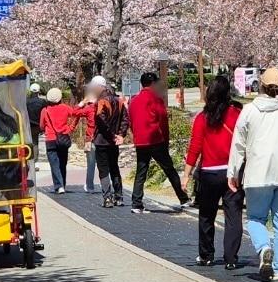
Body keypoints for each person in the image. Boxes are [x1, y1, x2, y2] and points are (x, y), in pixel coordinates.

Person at [227, 67, 278, 281]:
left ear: (261, 86)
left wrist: (233, 171)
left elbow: (238, 144)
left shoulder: (249, 111)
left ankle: (264, 249)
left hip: (258, 175)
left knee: (255, 218)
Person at [186, 74, 243, 266]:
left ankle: (206, 254)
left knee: (206, 215)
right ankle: (231, 258)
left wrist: (186, 174)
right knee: (233, 215)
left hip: (209, 172)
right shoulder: (236, 114)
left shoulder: (203, 118)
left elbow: (195, 147)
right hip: (232, 172)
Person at [128, 70, 191, 213]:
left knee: (141, 171)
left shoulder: (134, 101)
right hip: (155, 139)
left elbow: (131, 121)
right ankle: (183, 199)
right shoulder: (156, 99)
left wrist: (136, 135)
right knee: (169, 169)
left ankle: (136, 203)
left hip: (141, 141)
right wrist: (166, 140)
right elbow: (163, 121)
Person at [85, 75, 128, 208]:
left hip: (102, 140)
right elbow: (126, 119)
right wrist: (120, 134)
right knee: (114, 167)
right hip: (113, 142)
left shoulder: (101, 101)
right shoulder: (119, 100)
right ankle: (119, 196)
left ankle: (107, 197)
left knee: (103, 169)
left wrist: (110, 134)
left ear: (99, 87)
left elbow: (100, 120)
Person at [39, 87, 82, 195]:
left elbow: (41, 125)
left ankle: (59, 186)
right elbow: (75, 113)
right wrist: (70, 128)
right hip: (63, 137)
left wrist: (46, 130)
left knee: (54, 164)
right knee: (63, 163)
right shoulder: (65, 108)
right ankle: (63, 184)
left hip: (50, 139)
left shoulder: (45, 110)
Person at [25, 82, 48, 162]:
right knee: (35, 142)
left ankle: (28, 159)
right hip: (38, 125)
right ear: (38, 92)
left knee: (28, 142)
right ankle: (35, 161)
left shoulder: (26, 102)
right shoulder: (43, 102)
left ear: (31, 91)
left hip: (28, 125)